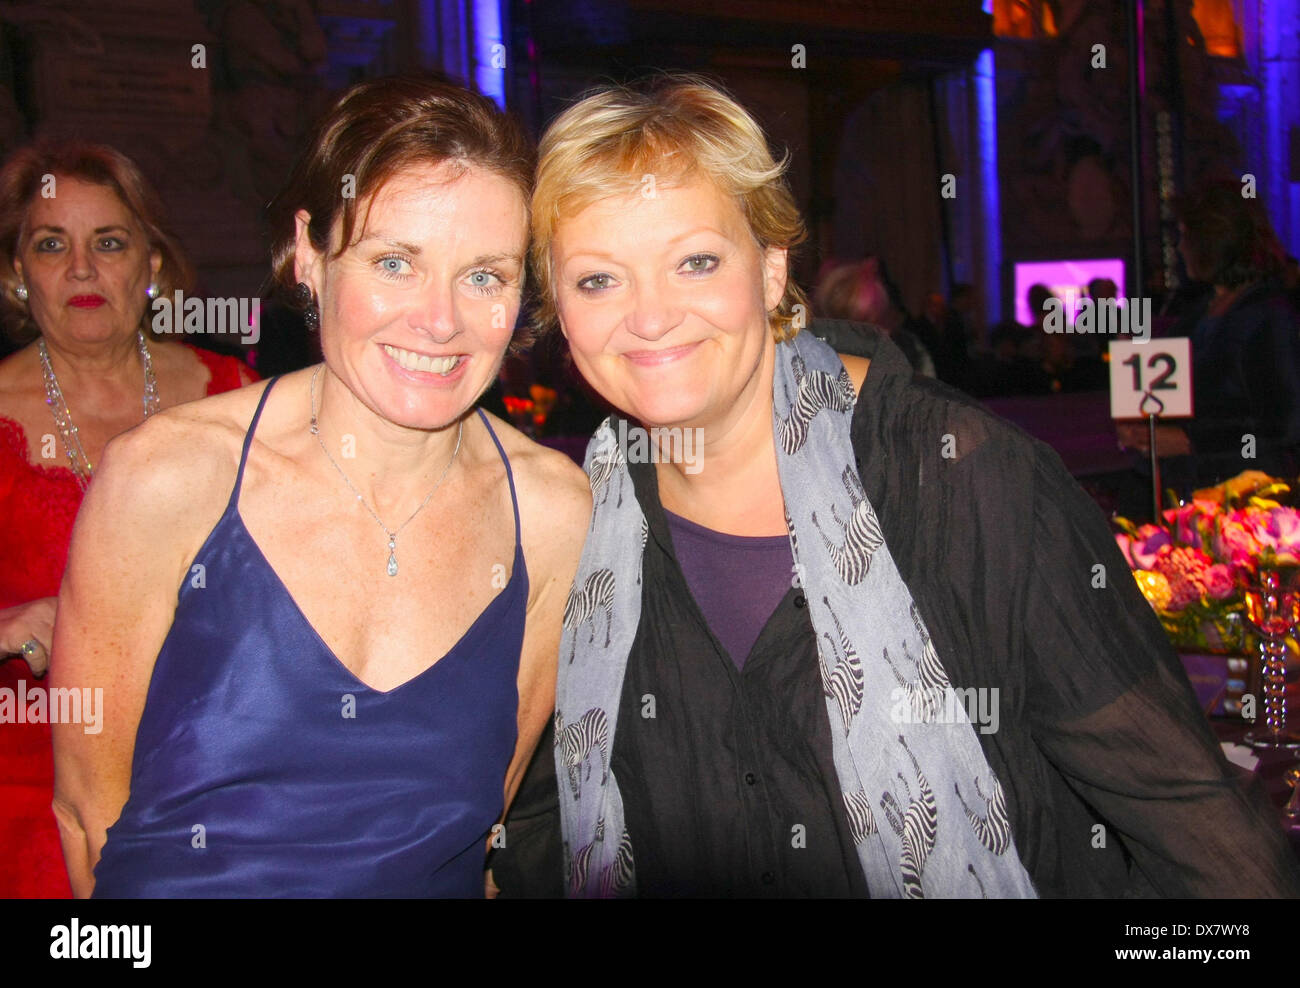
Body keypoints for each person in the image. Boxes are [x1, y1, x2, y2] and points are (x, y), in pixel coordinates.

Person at [510, 74, 1300, 897]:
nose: (649, 316)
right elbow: (537, 834)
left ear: (772, 270)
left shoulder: (966, 482)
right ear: (558, 308)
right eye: (599, 279)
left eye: (696, 261)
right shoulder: (572, 528)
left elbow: (1205, 844)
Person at [50, 75, 590, 897]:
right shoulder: (167, 478)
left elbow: (486, 823)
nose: (439, 319)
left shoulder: (553, 514)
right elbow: (89, 816)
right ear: (310, 254)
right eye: (394, 261)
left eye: (485, 275)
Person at [0, 141, 257, 898]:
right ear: (18, 274)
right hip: (32, 796)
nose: (81, 269)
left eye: (108, 243)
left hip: (219, 781)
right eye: (51, 245)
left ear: (151, 267)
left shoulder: (236, 399)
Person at [1117, 180, 1300, 494]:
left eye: (1186, 235)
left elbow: (1287, 428)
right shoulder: (1199, 313)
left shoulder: (1270, 316)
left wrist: (1190, 440)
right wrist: (1142, 428)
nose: (1179, 247)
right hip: (1193, 491)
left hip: (1253, 500)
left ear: (1215, 241)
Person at [813, 256, 936, 377]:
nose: (886, 332)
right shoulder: (813, 369)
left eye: (883, 320)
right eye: (869, 326)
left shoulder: (908, 354)